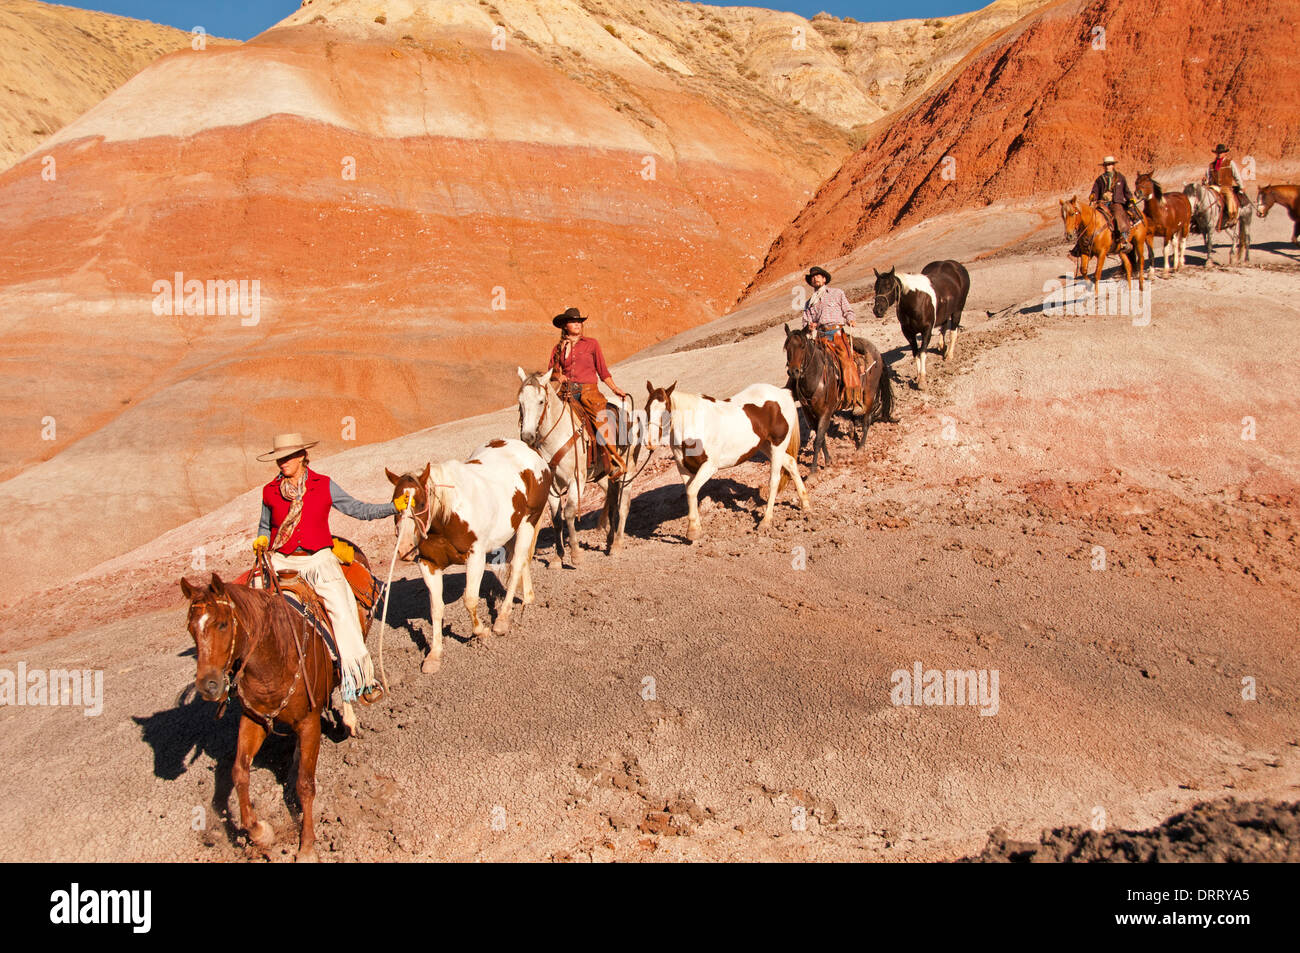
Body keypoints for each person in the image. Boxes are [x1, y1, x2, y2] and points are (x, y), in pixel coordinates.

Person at [251, 433, 405, 705]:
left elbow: (358, 509)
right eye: (279, 459)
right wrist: (263, 538)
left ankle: (361, 680)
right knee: (250, 607)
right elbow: (266, 526)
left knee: (342, 610)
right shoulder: (269, 491)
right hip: (280, 561)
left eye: (287, 458)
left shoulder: (324, 485)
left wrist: (392, 507)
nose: (282, 463)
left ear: (301, 457)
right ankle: (243, 678)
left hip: (318, 561)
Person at [548, 307, 629, 478]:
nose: (577, 324)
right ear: (565, 325)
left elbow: (603, 371)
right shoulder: (558, 348)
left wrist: (615, 389)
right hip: (566, 393)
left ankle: (614, 462)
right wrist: (559, 376)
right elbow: (551, 372)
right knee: (546, 418)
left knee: (601, 420)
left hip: (589, 393)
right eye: (573, 321)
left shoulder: (592, 344)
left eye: (579, 322)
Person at [801, 266, 862, 411]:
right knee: (806, 364)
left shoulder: (837, 293)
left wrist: (850, 319)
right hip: (820, 337)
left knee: (846, 361)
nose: (815, 279)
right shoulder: (808, 303)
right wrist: (809, 326)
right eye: (813, 277)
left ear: (824, 279)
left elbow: (847, 310)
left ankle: (855, 399)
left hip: (836, 333)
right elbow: (805, 322)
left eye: (818, 276)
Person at [1088, 156, 1139, 252]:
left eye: (1110, 164)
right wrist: (1093, 196)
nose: (1108, 166)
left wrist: (1131, 200)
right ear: (1104, 166)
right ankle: (1084, 244)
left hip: (1116, 203)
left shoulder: (1120, 177)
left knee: (1117, 216)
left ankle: (1124, 240)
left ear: (1113, 165)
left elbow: (1126, 191)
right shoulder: (1100, 179)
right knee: (1091, 217)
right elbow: (1095, 191)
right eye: (1106, 165)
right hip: (1102, 203)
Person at [1206, 143, 1247, 228]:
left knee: (1229, 197)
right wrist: (1205, 181)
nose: (1219, 154)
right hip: (1214, 187)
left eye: (1221, 153)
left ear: (1225, 153)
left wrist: (1241, 186)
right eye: (1217, 153)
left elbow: (1237, 175)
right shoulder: (1211, 165)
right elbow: (1208, 177)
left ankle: (1232, 216)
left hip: (1226, 187)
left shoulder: (1230, 163)